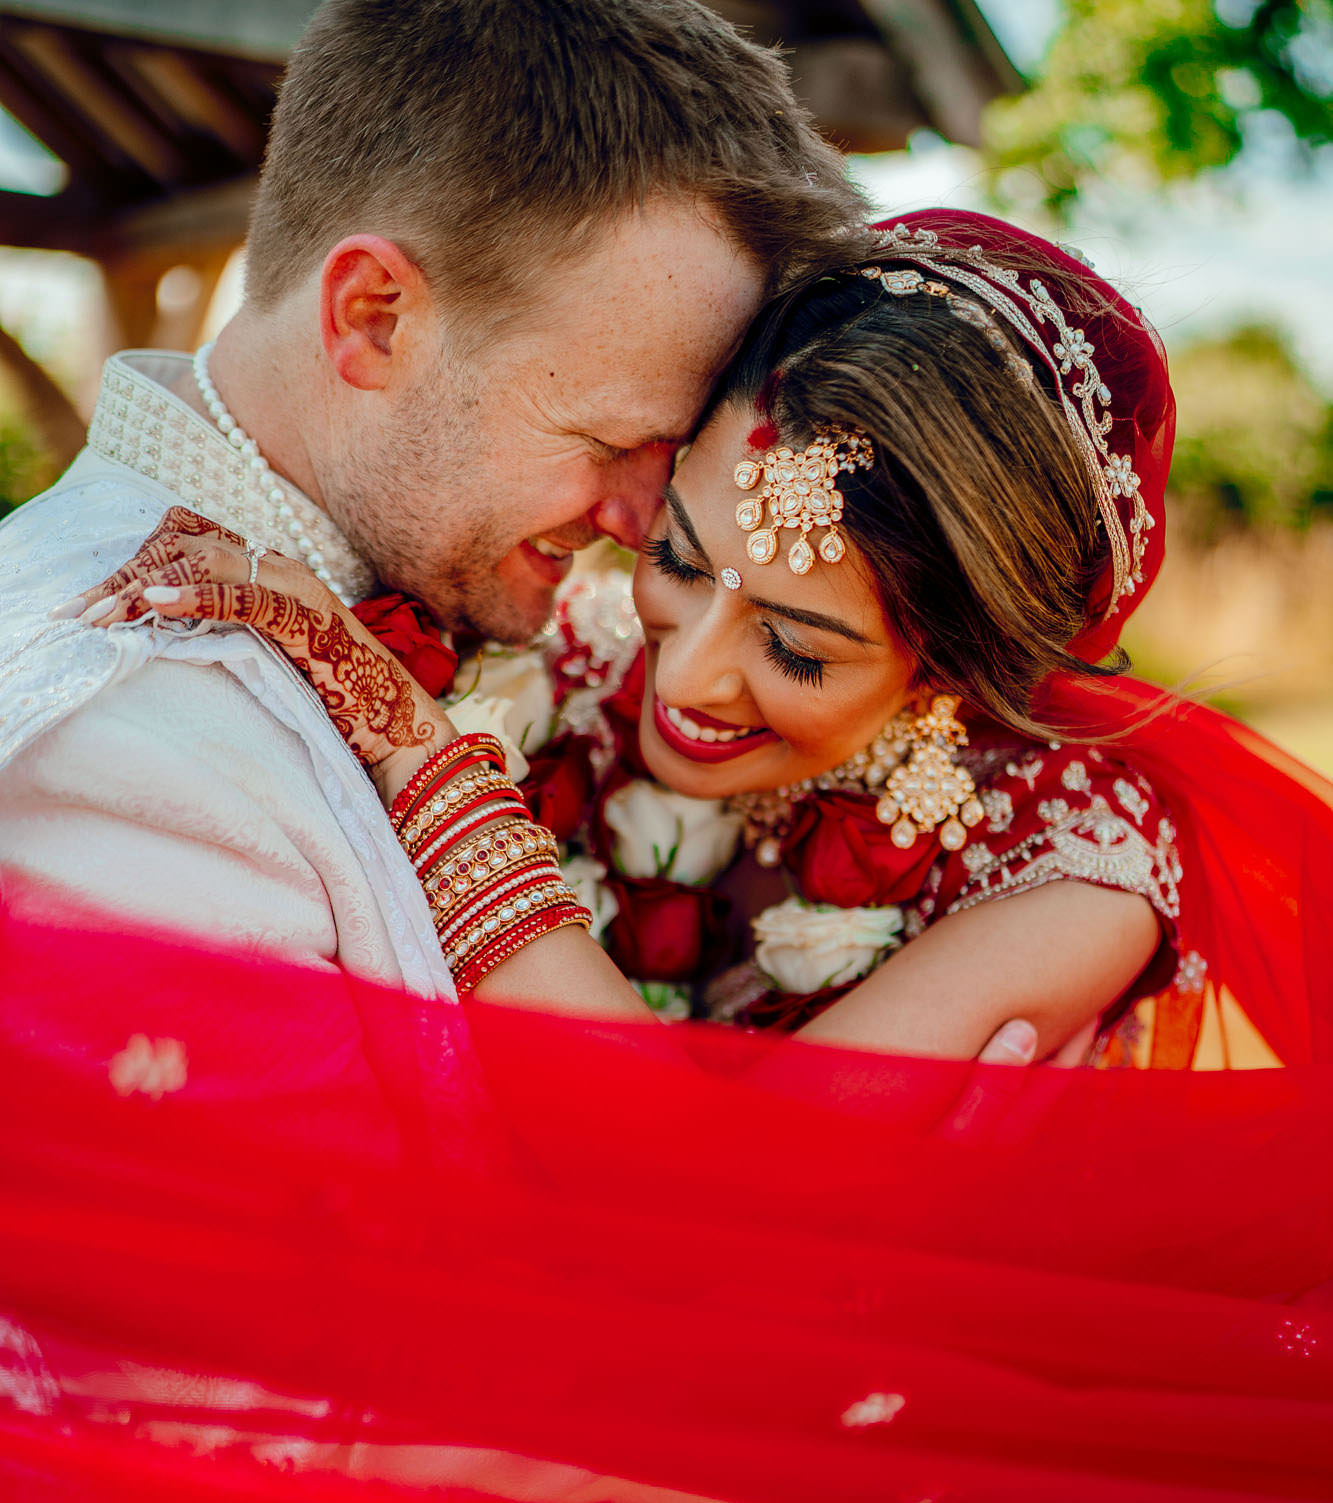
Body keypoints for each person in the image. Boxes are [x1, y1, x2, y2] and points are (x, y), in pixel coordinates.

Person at [0, 4, 872, 1503]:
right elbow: (350, 1415)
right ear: (374, 316)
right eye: (613, 440)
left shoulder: (301, 640)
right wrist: (948, 1363)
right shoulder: (116, 731)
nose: (651, 518)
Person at [83, 211, 1296, 1080]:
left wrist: (403, 737)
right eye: (675, 556)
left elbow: (711, 1183)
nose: (688, 671)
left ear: (950, 665)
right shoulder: (582, 652)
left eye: (799, 648)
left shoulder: (1070, 864)